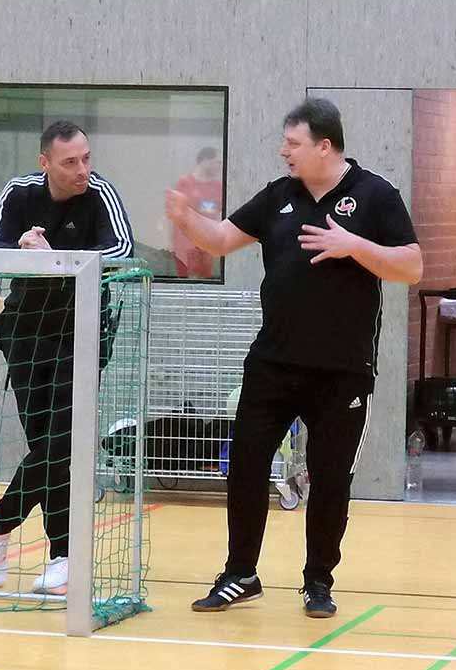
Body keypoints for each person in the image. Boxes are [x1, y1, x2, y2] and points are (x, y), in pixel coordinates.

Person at [165, 98, 422, 618]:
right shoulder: (278, 196)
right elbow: (218, 241)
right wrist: (185, 217)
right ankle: (240, 573)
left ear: (324, 146)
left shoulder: (375, 196)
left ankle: (318, 581)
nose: (284, 152)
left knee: (330, 478)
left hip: (342, 370)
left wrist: (353, 245)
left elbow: (412, 266)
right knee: (246, 465)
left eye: (294, 143)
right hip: (273, 363)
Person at [0, 119, 134, 595]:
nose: (82, 169)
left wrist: (56, 255)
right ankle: (51, 551)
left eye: (86, 158)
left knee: (65, 440)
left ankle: (8, 525)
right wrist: (24, 248)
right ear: (45, 163)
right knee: (48, 443)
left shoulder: (101, 194)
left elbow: (122, 248)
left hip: (80, 335)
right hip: (25, 335)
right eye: (70, 162)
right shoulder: (19, 194)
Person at [170, 146, 224, 278]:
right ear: (205, 160)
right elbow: (172, 215)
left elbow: (220, 216)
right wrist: (171, 243)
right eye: (218, 162)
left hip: (207, 248)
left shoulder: (218, 187)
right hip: (184, 248)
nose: (219, 166)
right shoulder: (184, 184)